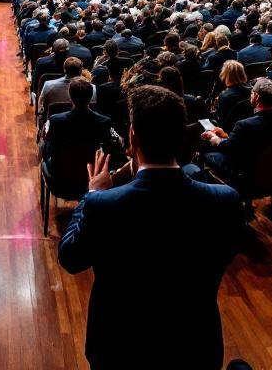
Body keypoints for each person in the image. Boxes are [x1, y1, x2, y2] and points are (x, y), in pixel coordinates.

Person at [58, 85, 245, 368]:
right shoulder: (226, 201)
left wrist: (92, 194)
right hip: (196, 345)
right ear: (181, 137)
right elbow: (225, 253)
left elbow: (70, 258)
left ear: (132, 137)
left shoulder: (103, 205)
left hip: (119, 348)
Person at [194, 77, 272, 184]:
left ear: (256, 97)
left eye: (252, 93)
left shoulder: (245, 125)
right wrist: (226, 136)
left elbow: (228, 149)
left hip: (243, 174)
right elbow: (252, 143)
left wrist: (213, 137)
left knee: (204, 149)